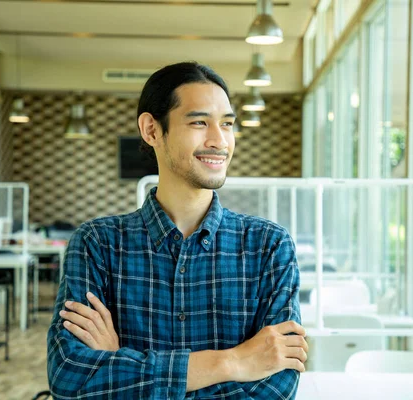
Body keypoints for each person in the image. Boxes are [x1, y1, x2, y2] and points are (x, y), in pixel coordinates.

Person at [47, 62, 307, 399]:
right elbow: (71, 379)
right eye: (200, 122)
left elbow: (277, 386)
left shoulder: (269, 246)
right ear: (152, 130)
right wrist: (231, 362)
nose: (219, 140)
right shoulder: (97, 244)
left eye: (227, 124)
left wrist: (119, 364)